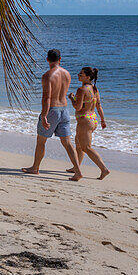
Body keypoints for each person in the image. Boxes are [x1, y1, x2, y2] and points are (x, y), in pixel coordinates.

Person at [22, 49, 83, 180]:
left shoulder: (48, 75)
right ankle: (78, 171)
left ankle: (35, 168)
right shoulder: (67, 74)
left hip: (52, 110)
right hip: (65, 110)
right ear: (60, 59)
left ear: (47, 60)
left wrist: (44, 115)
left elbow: (47, 98)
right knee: (67, 143)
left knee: (41, 141)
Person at [67, 67, 111, 180]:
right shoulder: (95, 89)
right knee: (78, 143)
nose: (78, 75)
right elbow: (99, 106)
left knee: (86, 147)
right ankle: (76, 167)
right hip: (93, 118)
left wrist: (72, 98)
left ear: (88, 77)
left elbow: (78, 107)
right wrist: (102, 120)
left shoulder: (81, 90)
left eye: (81, 74)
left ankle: (104, 169)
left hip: (84, 120)